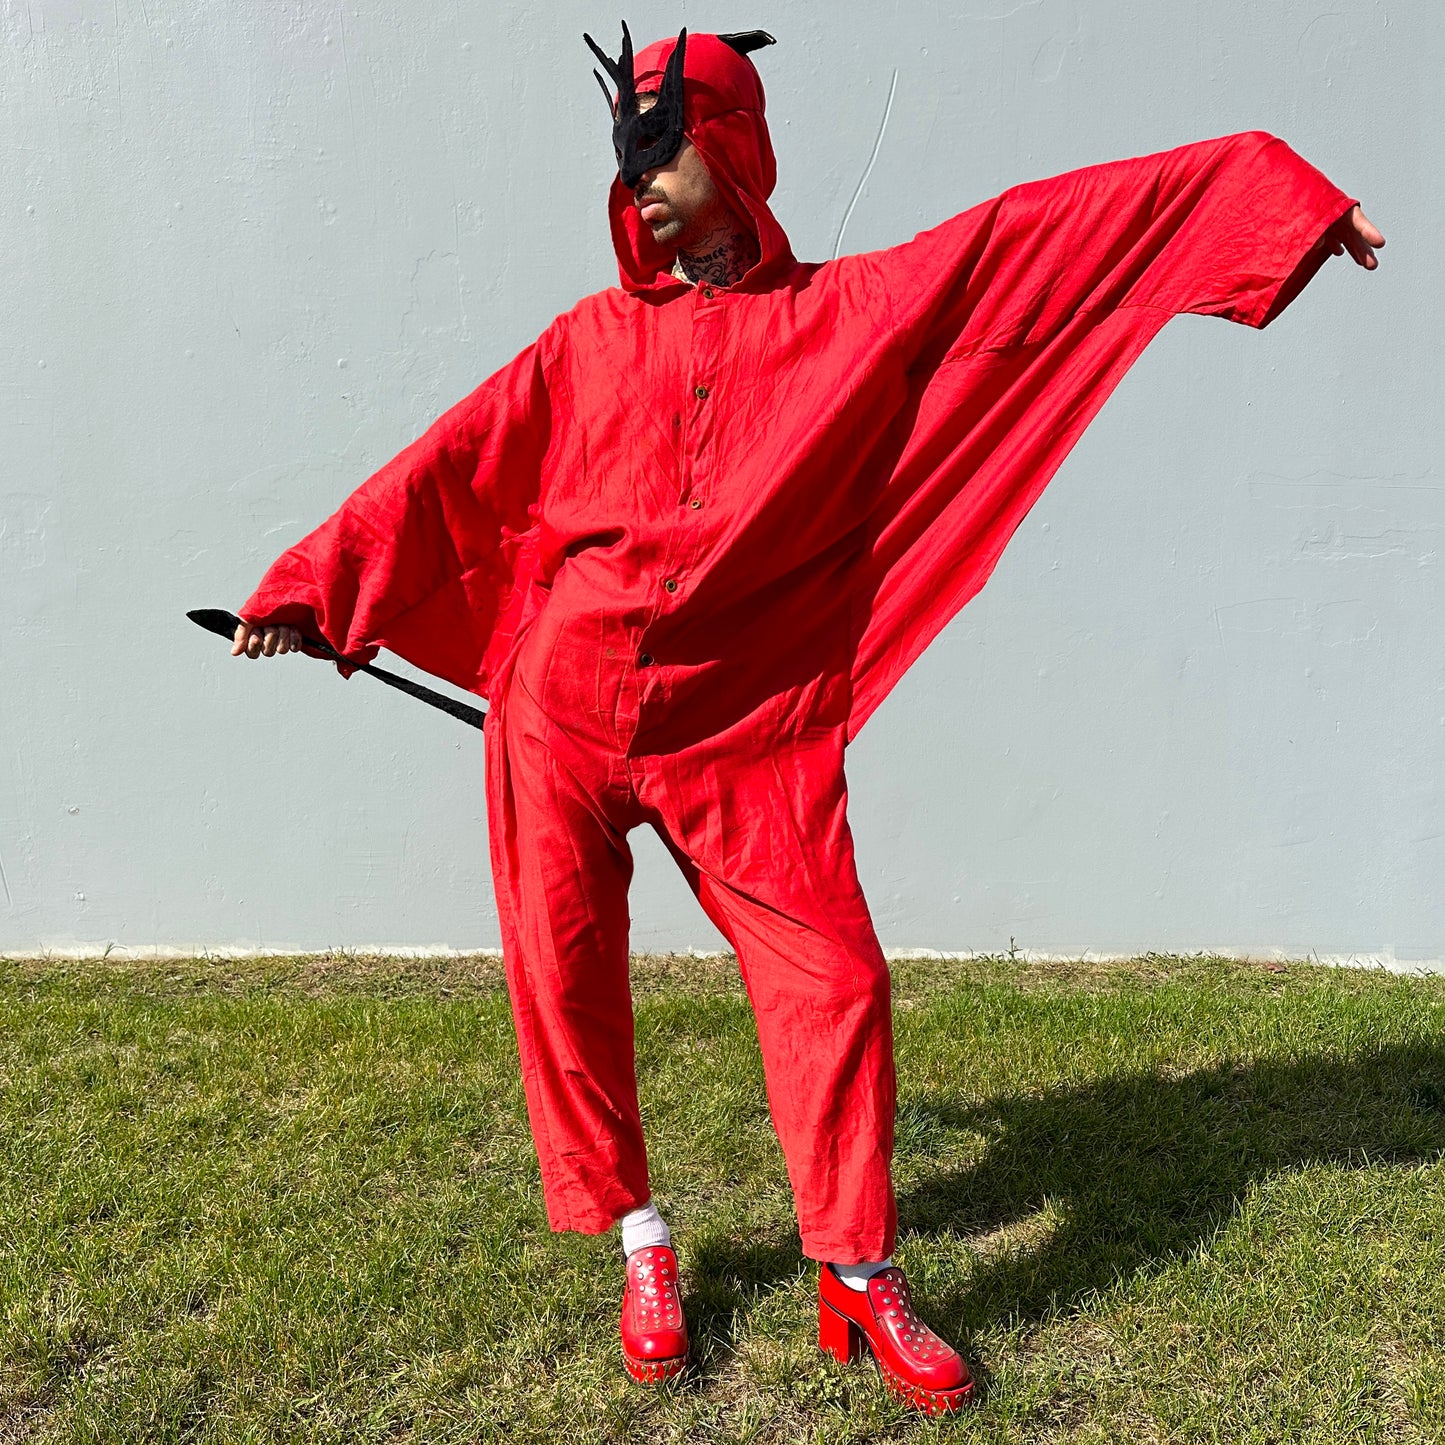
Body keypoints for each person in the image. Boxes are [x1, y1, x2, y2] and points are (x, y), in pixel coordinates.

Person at [231, 23, 1383, 1415]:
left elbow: (1044, 237)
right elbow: (451, 465)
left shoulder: (854, 313)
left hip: (745, 728)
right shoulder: (590, 340)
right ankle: (640, 1245)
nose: (638, 180)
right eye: (623, 156)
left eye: (662, 148)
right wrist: (314, 583)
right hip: (560, 707)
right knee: (565, 971)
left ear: (731, 146)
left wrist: (1273, 200)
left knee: (832, 978)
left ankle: (853, 1267)